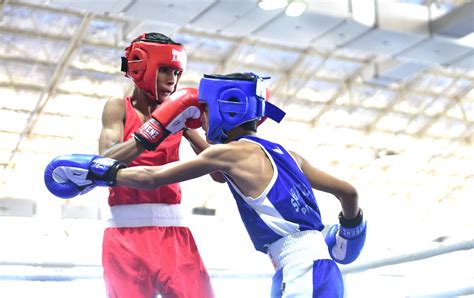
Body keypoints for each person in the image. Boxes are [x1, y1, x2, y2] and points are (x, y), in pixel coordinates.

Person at [45, 72, 367, 297]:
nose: (203, 119)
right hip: (321, 268)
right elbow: (348, 193)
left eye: (208, 111)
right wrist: (348, 232)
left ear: (229, 107)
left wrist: (99, 171)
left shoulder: (229, 154)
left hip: (300, 273)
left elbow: (151, 177)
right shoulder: (287, 154)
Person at [65, 32, 216, 298]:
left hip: (172, 233)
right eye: (165, 70)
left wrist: (210, 131)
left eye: (177, 72)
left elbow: (219, 174)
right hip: (124, 235)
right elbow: (104, 162)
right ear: (142, 68)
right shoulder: (117, 108)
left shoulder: (178, 112)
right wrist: (155, 128)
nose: (172, 80)